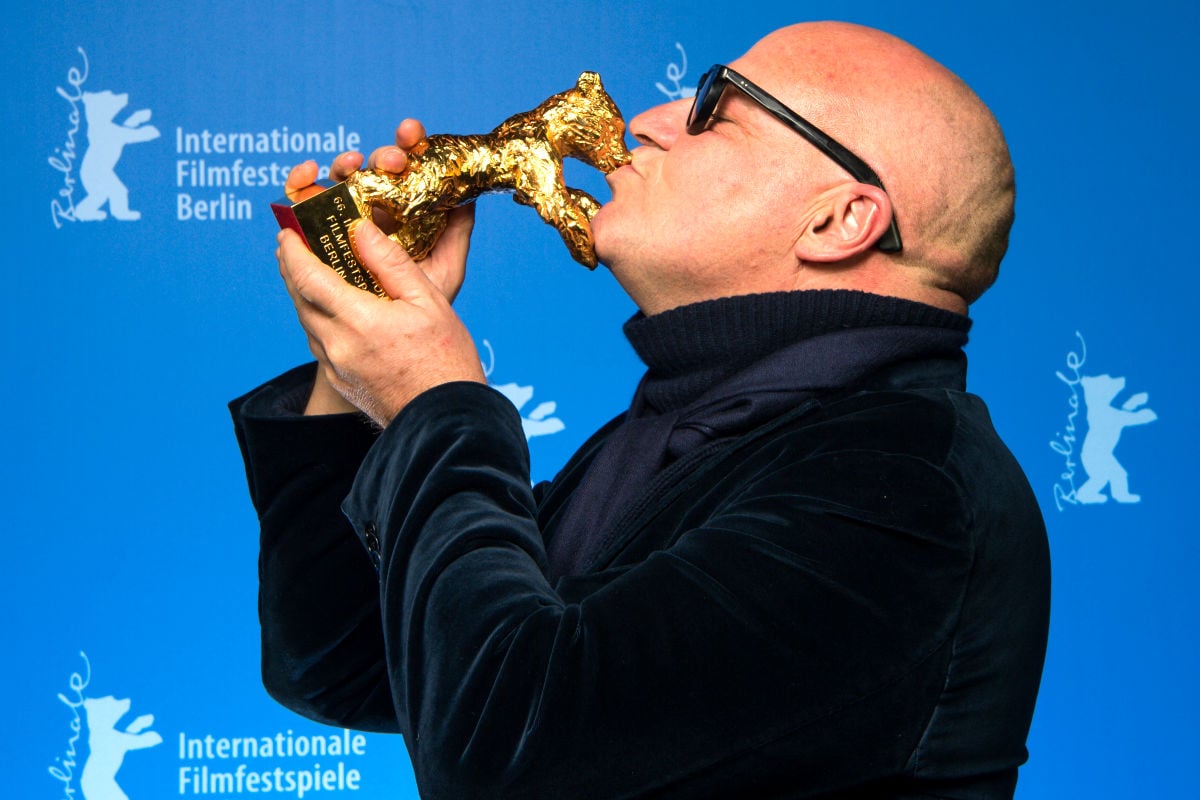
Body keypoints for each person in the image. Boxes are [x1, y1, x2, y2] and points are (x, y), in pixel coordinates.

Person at [230, 20, 1049, 800]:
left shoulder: (906, 490)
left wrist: (437, 402)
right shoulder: (672, 434)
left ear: (838, 220)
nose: (650, 119)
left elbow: (510, 760)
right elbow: (345, 663)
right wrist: (360, 336)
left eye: (714, 111)